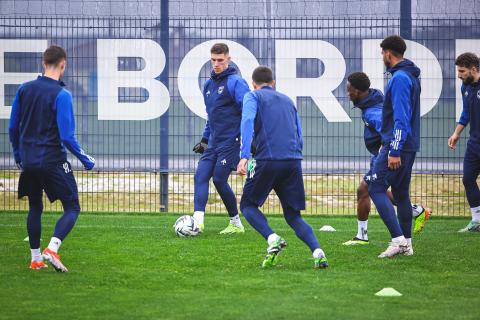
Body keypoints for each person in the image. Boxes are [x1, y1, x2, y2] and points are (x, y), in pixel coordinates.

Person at [9, 45, 95, 272]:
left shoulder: (24, 89)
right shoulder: (62, 94)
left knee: (35, 206)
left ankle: (35, 258)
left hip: (28, 160)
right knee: (72, 207)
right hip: (53, 160)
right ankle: (52, 248)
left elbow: (12, 127)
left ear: (43, 63)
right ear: (63, 65)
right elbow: (67, 136)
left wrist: (18, 154)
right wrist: (86, 159)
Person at [237, 66, 328, 269]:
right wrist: (296, 154)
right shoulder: (288, 100)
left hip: (266, 161)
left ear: (253, 83)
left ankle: (272, 238)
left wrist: (244, 156)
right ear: (273, 83)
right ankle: (317, 251)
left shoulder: (253, 97)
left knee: (247, 206)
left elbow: (248, 120)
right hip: (293, 161)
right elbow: (298, 131)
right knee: (293, 215)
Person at [343, 72, 430, 246]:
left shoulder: (372, 112)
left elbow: (386, 128)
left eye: (349, 90)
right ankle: (417, 211)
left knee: (370, 190)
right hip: (384, 154)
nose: (348, 93)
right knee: (379, 190)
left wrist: (386, 151)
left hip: (387, 156)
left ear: (358, 92)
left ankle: (389, 238)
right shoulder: (372, 98)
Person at [366, 35, 421, 258]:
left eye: (382, 53)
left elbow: (400, 117)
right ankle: (407, 244)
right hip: (409, 144)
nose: (382, 57)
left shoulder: (399, 78)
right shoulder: (411, 76)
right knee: (400, 194)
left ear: (388, 53)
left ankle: (398, 241)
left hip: (396, 145)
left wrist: (394, 150)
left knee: (375, 187)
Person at [191, 43, 250, 234]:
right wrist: (205, 140)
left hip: (230, 142)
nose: (216, 64)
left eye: (220, 60)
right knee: (200, 176)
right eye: (213, 60)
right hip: (214, 143)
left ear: (228, 60)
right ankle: (197, 222)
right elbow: (212, 116)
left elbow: (248, 112)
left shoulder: (236, 82)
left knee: (218, 179)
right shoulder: (208, 85)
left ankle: (235, 223)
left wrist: (251, 141)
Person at [448, 52, 480, 232]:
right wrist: (456, 133)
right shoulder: (465, 87)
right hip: (474, 143)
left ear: (474, 69)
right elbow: (466, 112)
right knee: (468, 179)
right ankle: (476, 221)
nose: (459, 75)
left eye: (462, 71)